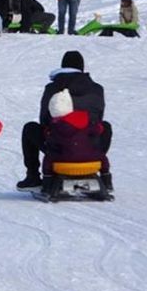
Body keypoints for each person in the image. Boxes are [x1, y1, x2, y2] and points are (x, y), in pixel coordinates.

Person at [16, 50, 112, 192]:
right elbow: (98, 119)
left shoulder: (52, 88)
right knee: (105, 126)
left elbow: (45, 120)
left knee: (30, 128)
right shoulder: (97, 89)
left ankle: (33, 177)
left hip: (59, 148)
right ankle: (91, 159)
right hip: (89, 146)